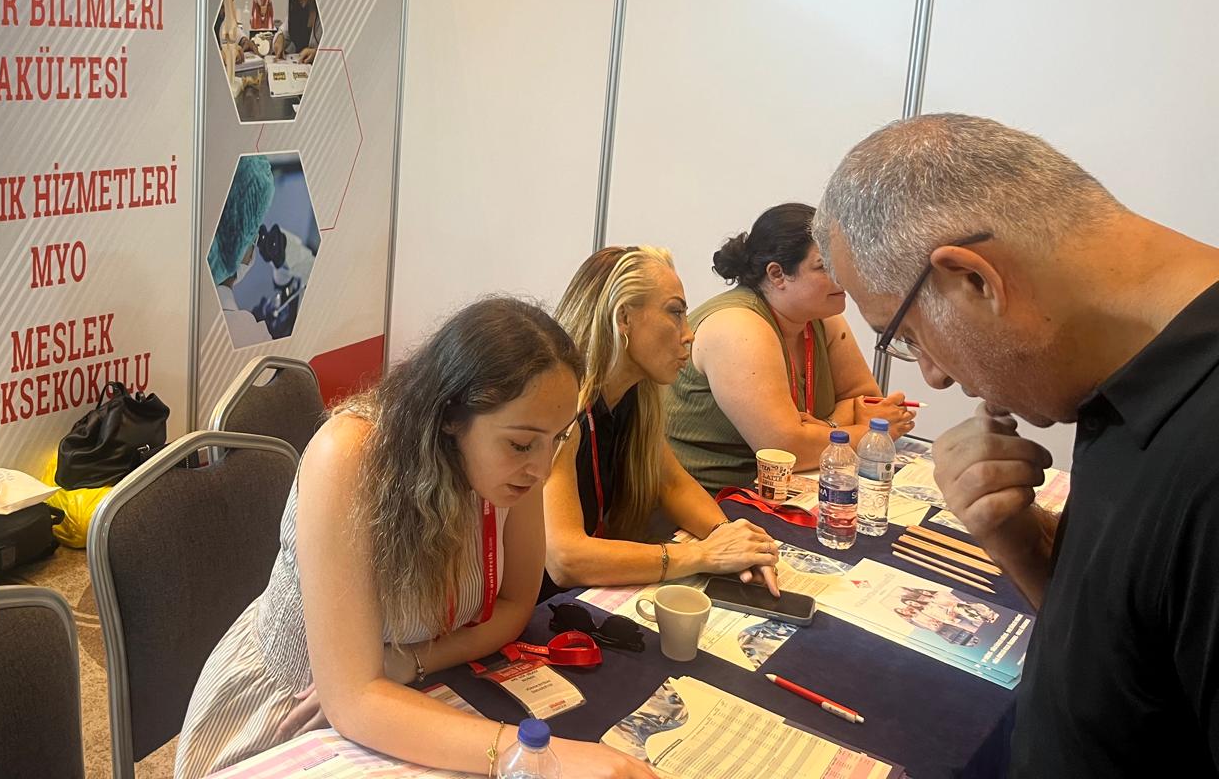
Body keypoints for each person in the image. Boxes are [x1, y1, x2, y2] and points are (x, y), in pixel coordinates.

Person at [813, 112, 1219, 777]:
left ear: (974, 278)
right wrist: (1022, 545)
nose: (935, 376)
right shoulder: (1125, 384)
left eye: (907, 336)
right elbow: (1124, 661)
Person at [175, 298, 655, 779]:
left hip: (411, 690)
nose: (542, 469)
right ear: (449, 416)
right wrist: (540, 755)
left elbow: (514, 607)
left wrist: (411, 661)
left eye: (560, 438)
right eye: (521, 443)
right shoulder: (350, 455)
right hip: (293, 712)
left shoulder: (522, 463)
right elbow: (354, 700)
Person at [543, 246, 781, 598]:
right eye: (675, 313)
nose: (689, 334)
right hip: (539, 604)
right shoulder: (560, 408)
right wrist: (703, 554)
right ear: (623, 318)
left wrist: (728, 537)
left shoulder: (635, 397)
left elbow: (671, 483)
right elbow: (565, 558)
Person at [663, 203, 914, 490]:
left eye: (842, 264)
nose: (843, 277)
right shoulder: (738, 327)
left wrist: (823, 428)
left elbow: (867, 402)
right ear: (777, 274)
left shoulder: (822, 318)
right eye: (824, 267)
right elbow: (785, 450)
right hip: (716, 497)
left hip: (790, 489)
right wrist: (869, 432)